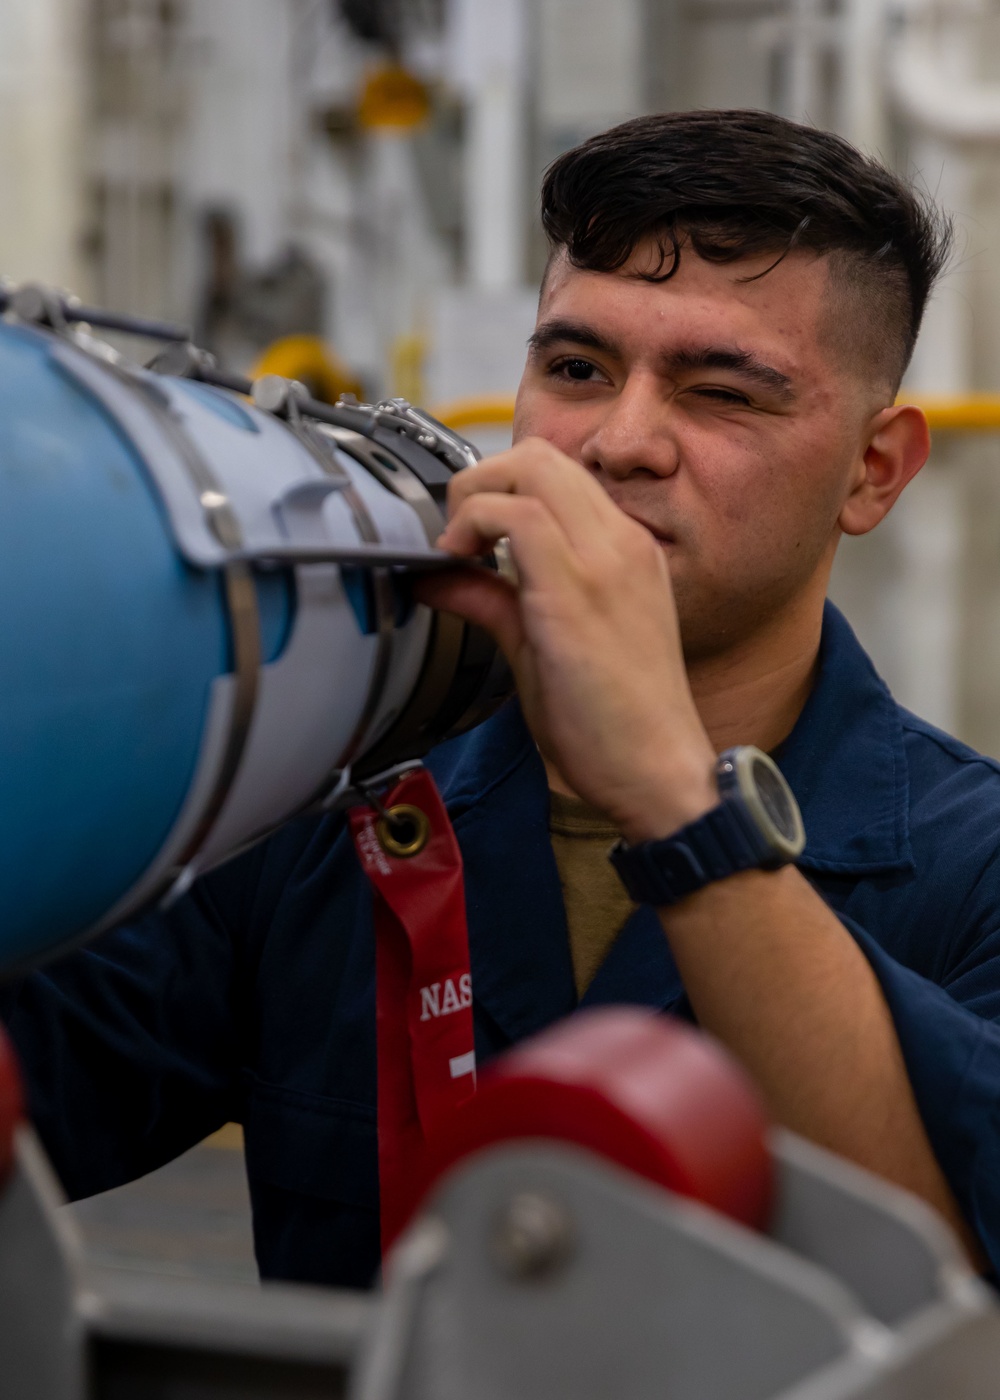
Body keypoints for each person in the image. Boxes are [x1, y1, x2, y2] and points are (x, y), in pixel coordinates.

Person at [5, 109, 1000, 1288]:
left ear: (872, 469)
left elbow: (948, 1241)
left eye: (723, 392)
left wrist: (674, 795)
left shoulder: (969, 865)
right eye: (576, 369)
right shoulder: (332, 799)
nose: (620, 441)